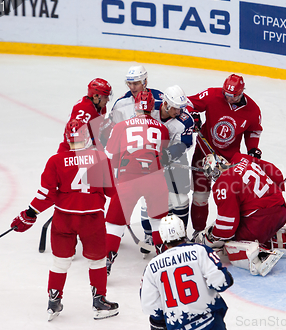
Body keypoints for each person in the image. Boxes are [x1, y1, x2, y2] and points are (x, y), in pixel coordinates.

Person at [10, 119, 119, 321]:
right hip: (92, 219)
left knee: (60, 262)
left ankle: (54, 300)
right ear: (87, 137)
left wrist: (31, 212)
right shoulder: (100, 158)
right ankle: (99, 301)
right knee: (97, 261)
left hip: (64, 218)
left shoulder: (56, 160)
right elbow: (112, 192)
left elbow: (47, 194)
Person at [195, 153, 286, 276]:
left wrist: (211, 238)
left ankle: (260, 256)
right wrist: (276, 189)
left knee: (229, 242)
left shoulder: (223, 183)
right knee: (252, 227)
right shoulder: (241, 158)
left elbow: (227, 227)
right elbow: (273, 170)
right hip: (281, 210)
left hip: (260, 221)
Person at [187, 74, 263, 236]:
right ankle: (198, 232)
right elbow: (188, 103)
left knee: (231, 197)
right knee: (200, 195)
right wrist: (193, 116)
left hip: (231, 161)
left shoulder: (253, 110)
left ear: (241, 93)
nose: (227, 98)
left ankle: (234, 230)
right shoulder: (212, 95)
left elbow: (253, 130)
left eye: (232, 96)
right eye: (226, 94)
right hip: (203, 153)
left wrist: (252, 148)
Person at [104, 90, 170, 274]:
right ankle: (164, 261)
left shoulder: (121, 126)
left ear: (135, 106)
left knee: (114, 224)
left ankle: (107, 260)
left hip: (128, 178)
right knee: (158, 222)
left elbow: (109, 156)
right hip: (155, 179)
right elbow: (162, 155)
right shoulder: (162, 128)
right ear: (152, 107)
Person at [140, 215, 234, 330]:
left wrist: (159, 322)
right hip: (211, 323)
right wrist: (228, 277)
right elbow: (221, 283)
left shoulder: (152, 266)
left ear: (162, 237)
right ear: (183, 231)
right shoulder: (201, 251)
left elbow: (149, 306)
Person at [109, 65, 164, 251]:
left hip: (142, 160)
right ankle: (156, 240)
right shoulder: (120, 104)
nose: (132, 87)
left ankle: (147, 233)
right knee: (153, 205)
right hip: (139, 160)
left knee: (144, 202)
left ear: (145, 81)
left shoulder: (160, 98)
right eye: (129, 83)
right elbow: (113, 130)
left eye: (136, 83)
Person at [148, 85, 194, 242]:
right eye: (175, 108)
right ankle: (152, 234)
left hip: (175, 159)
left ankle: (181, 235)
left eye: (181, 108)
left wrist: (168, 154)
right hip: (150, 159)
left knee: (180, 199)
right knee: (153, 197)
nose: (178, 112)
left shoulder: (185, 120)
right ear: (165, 103)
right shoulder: (149, 108)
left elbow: (185, 144)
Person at [57, 78, 113, 153]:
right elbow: (74, 139)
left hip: (90, 149)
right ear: (95, 96)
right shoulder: (83, 110)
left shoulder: (100, 107)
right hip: (71, 153)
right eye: (105, 97)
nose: (108, 100)